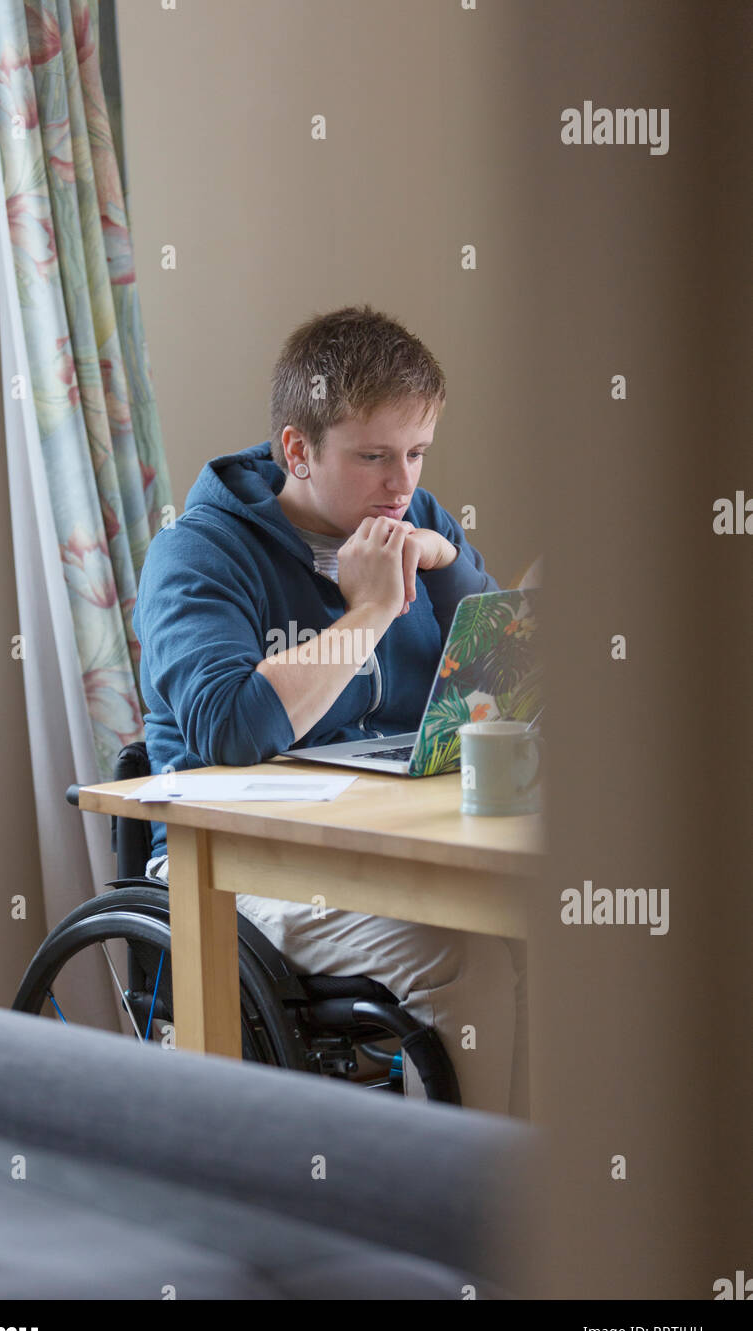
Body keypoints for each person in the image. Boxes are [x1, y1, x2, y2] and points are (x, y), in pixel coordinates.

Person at [132, 304, 528, 1115]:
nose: (403, 485)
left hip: (392, 841)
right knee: (466, 958)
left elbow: (498, 687)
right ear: (297, 450)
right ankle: (454, 1212)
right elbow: (231, 731)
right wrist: (370, 614)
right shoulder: (199, 552)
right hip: (241, 862)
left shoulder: (415, 521)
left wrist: (448, 562)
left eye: (418, 452)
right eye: (374, 456)